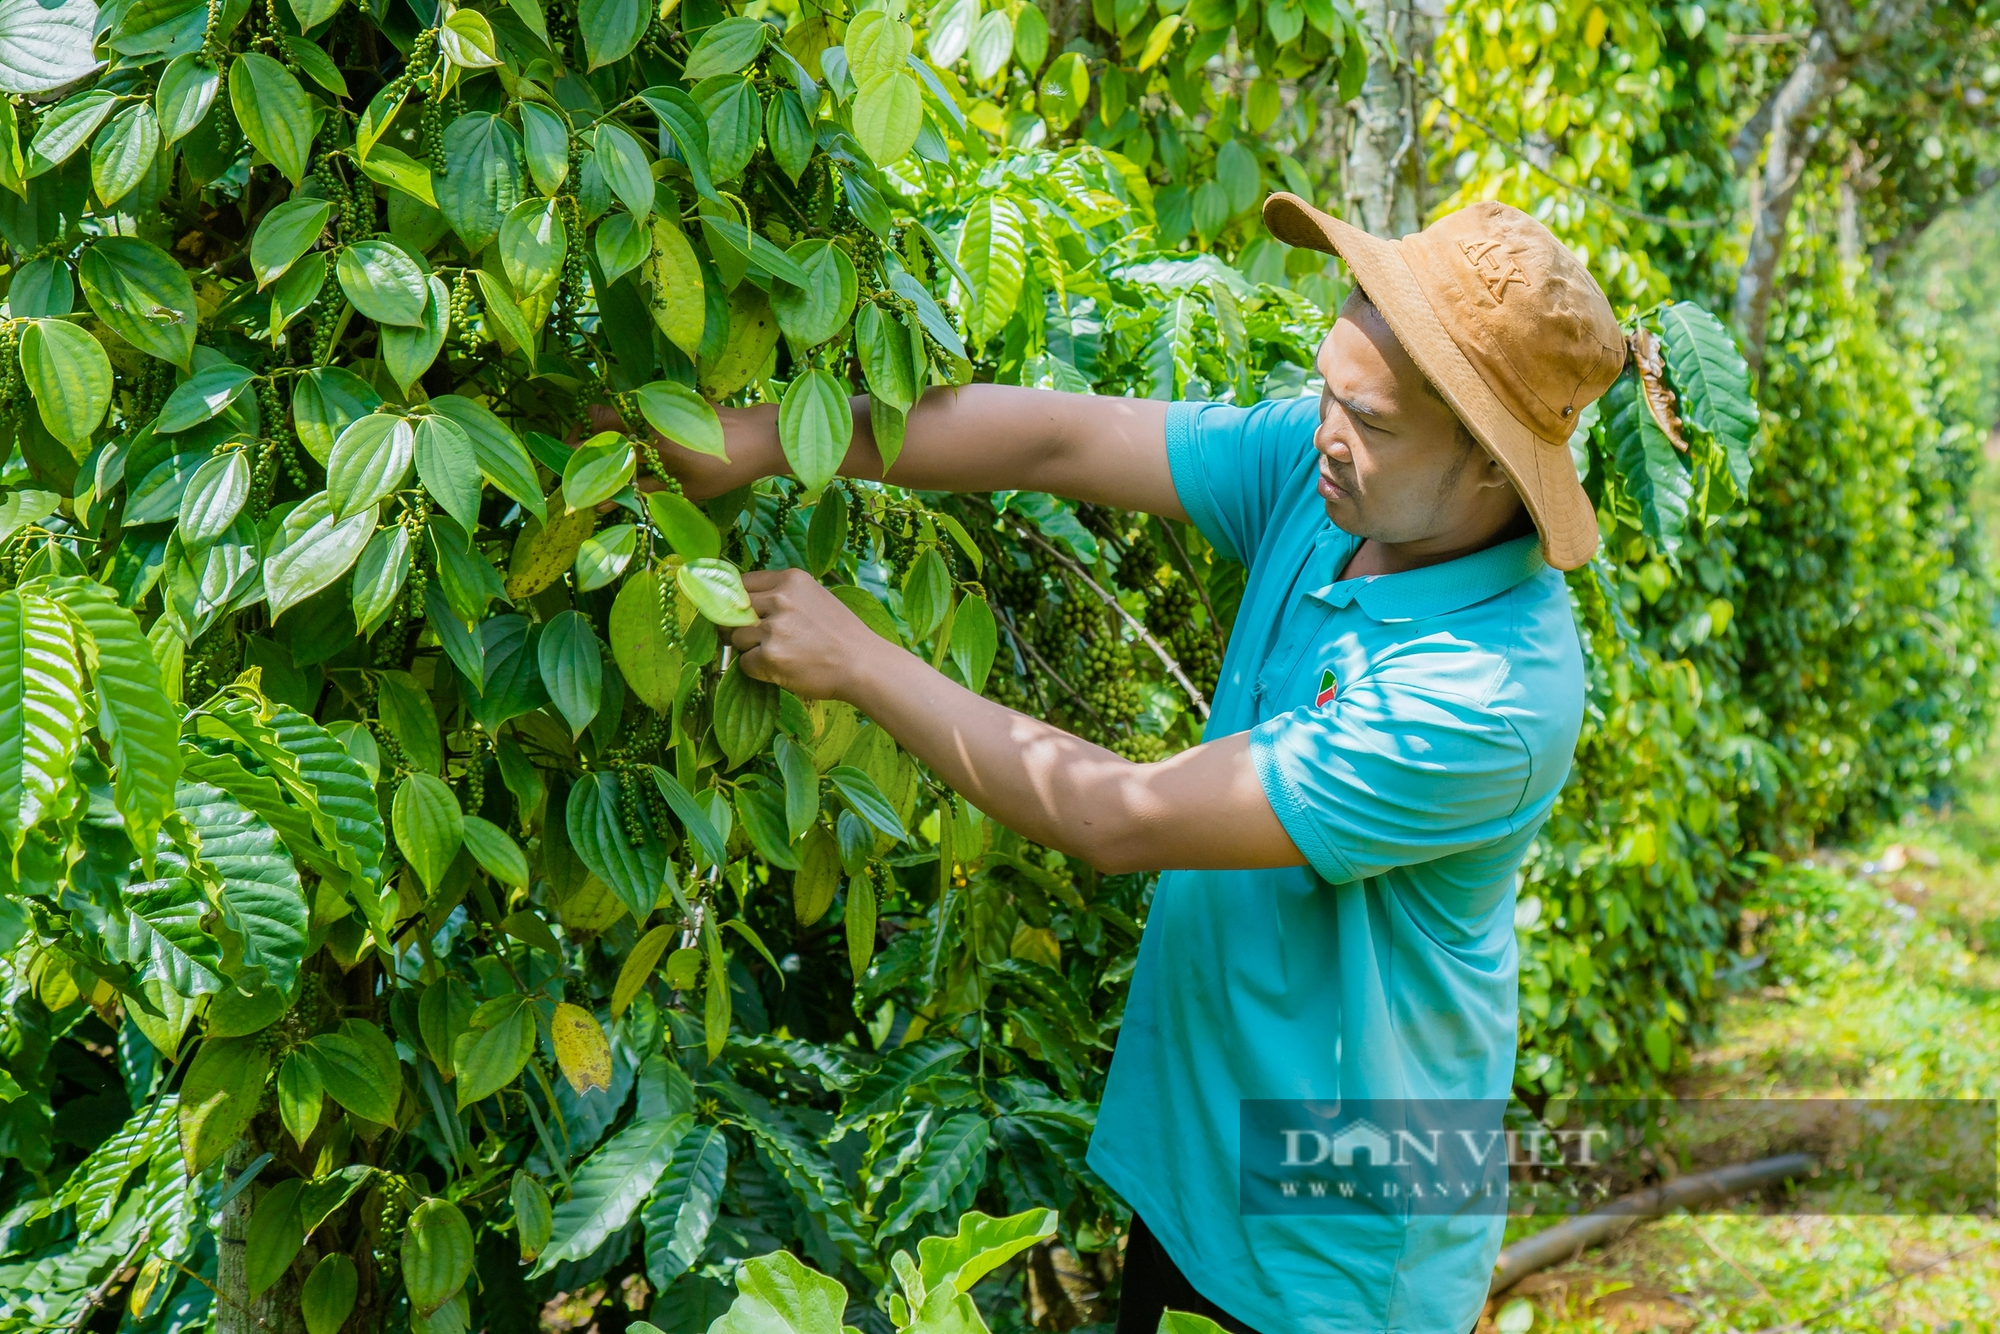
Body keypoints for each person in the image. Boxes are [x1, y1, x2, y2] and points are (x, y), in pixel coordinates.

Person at [637, 193, 1626, 1334]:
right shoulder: (1335, 491)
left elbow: (1119, 817)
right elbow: (1062, 437)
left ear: (1492, 469)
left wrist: (860, 660)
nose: (1323, 428)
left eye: (1368, 417)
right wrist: (754, 441)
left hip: (1334, 1248)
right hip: (1205, 1169)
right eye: (1324, 389)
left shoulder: (1483, 694)